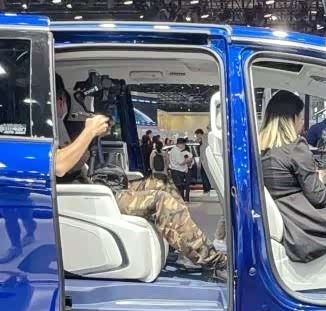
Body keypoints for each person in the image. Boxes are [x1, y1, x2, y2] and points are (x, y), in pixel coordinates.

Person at [53, 76, 226, 277]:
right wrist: (89, 132)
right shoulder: (47, 129)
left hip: (91, 187)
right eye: (60, 99)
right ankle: (213, 262)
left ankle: (183, 245)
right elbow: (59, 166)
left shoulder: (61, 125)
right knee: (161, 200)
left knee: (160, 181)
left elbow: (77, 160)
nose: (63, 104)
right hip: (84, 197)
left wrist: (92, 137)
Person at [259, 90, 326, 263]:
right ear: (292, 119)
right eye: (301, 118)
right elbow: (319, 198)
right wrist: (320, 179)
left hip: (285, 220)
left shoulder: (259, 149)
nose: (302, 122)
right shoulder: (295, 147)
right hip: (302, 224)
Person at [167, 137, 194, 201]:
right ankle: (181, 201)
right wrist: (188, 160)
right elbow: (181, 162)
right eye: (184, 144)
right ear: (181, 144)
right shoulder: (176, 151)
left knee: (179, 187)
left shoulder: (174, 150)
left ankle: (181, 200)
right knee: (179, 188)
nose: (184, 146)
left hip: (177, 171)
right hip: (177, 172)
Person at [193, 128, 211, 194]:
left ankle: (207, 189)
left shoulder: (205, 139)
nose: (197, 137)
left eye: (197, 135)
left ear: (200, 134)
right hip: (204, 161)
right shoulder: (202, 141)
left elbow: (203, 152)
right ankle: (206, 189)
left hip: (205, 162)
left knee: (205, 176)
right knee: (204, 176)